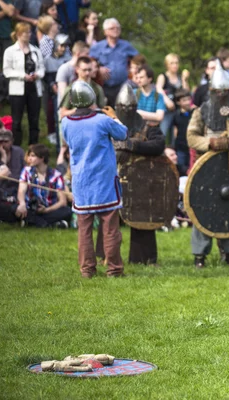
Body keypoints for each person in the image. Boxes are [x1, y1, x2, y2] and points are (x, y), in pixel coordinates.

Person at [186, 59, 229, 268]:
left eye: (224, 92)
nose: (221, 96)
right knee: (203, 207)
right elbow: (191, 137)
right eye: (217, 92)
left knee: (228, 206)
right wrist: (211, 142)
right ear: (211, 91)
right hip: (207, 168)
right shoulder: (201, 112)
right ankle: (200, 254)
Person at [61, 81, 127, 278]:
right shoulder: (102, 120)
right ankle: (114, 269)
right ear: (92, 98)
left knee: (84, 230)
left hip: (81, 183)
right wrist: (114, 117)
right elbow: (123, 134)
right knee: (110, 229)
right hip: (104, 182)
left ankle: (87, 270)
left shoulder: (65, 122)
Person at [114, 83, 166, 265]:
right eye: (123, 107)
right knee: (110, 220)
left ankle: (144, 259)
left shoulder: (147, 127)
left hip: (139, 181)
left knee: (142, 217)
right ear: (117, 107)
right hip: (113, 179)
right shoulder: (109, 125)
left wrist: (133, 145)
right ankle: (108, 256)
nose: (127, 110)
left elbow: (159, 145)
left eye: (130, 107)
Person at [3, 22, 44, 146]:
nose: (29, 34)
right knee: (16, 121)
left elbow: (42, 68)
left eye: (29, 32)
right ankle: (16, 147)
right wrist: (22, 76)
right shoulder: (10, 51)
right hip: (17, 89)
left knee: (34, 119)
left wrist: (37, 75)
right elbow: (7, 71)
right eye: (26, 32)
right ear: (19, 34)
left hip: (34, 88)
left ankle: (34, 146)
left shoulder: (35, 50)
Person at [16, 143, 71, 228]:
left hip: (49, 209)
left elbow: (62, 201)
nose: (29, 159)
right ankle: (52, 224)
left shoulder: (56, 175)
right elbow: (21, 190)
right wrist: (22, 203)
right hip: (31, 208)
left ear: (42, 158)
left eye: (32, 156)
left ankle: (36, 223)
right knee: (18, 209)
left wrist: (46, 210)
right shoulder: (27, 171)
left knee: (67, 211)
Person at [89, 18, 138, 107]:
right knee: (105, 111)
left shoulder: (126, 45)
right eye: (112, 28)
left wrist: (133, 70)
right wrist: (98, 68)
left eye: (118, 28)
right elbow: (89, 61)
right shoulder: (98, 47)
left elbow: (138, 59)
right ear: (105, 32)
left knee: (122, 111)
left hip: (123, 86)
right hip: (104, 87)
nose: (116, 30)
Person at [42, 33, 70, 148]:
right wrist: (52, 84)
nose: (63, 48)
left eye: (65, 46)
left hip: (68, 92)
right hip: (54, 93)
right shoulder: (48, 60)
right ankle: (60, 148)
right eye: (61, 45)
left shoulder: (68, 59)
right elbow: (47, 76)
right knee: (57, 118)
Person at [156, 53, 190, 143]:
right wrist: (167, 100)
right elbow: (158, 89)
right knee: (163, 132)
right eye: (172, 63)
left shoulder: (179, 77)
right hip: (166, 110)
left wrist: (184, 79)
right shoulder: (163, 76)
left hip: (178, 110)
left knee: (176, 136)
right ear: (167, 64)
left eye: (176, 63)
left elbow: (186, 92)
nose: (175, 65)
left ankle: (175, 153)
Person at [0, 128, 24, 223]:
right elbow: (2, 174)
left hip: (17, 185)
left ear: (12, 141)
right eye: (0, 141)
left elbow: (25, 170)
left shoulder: (19, 152)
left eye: (6, 141)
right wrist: (3, 155)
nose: (3, 144)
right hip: (0, 188)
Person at [171, 88, 192, 169]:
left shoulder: (194, 113)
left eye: (188, 99)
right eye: (184, 100)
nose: (187, 102)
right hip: (180, 146)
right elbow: (175, 132)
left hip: (191, 146)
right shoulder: (176, 116)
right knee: (181, 167)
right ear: (178, 102)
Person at [0, 0, 15, 74]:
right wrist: (6, 11)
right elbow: (9, 11)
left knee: (9, 65)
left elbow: (11, 12)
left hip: (7, 36)